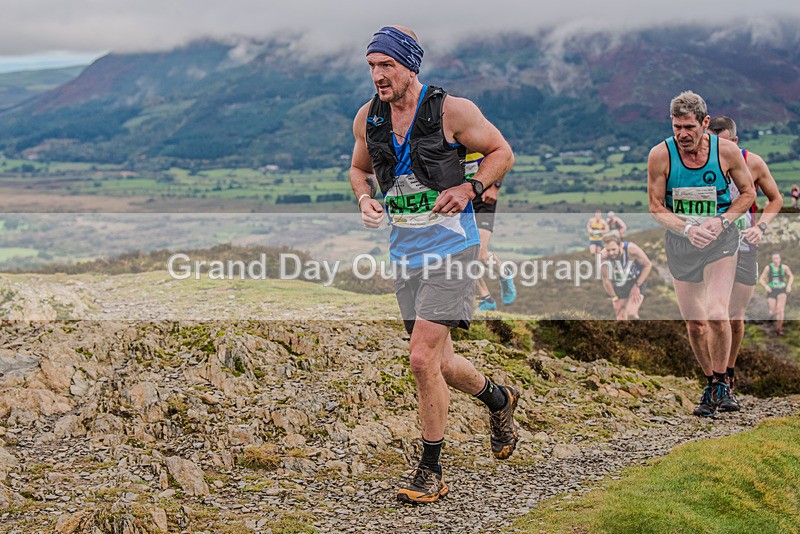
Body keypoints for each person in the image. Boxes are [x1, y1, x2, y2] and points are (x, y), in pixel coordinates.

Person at [349, 25, 518, 504]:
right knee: (441, 363)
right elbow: (359, 170)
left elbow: (501, 152)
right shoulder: (369, 117)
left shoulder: (452, 111)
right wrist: (365, 199)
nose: (378, 76)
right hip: (406, 254)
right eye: (372, 67)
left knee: (421, 357)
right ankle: (499, 399)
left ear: (410, 66)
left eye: (387, 66)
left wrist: (470, 188)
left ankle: (431, 470)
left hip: (452, 250)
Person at [647, 91, 755, 418]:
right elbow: (655, 208)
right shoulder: (660, 155)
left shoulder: (726, 152)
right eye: (676, 126)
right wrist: (688, 229)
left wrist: (722, 221)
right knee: (695, 324)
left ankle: (723, 382)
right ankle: (711, 382)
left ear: (705, 123)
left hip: (721, 239)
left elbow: (748, 194)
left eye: (689, 127)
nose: (682, 134)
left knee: (717, 312)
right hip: (682, 242)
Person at [708, 115, 783, 410]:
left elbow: (775, 199)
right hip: (711, 246)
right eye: (714, 143)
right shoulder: (702, 163)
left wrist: (760, 227)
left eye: (724, 142)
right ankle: (714, 380)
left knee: (735, 316)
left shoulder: (753, 162)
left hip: (744, 242)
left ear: (735, 141)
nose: (719, 148)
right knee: (711, 314)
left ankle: (728, 374)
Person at [467, 152, 517, 311]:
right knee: (464, 254)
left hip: (484, 198)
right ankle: (486, 299)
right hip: (462, 199)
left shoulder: (475, 134)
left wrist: (495, 187)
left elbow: (506, 157)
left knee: (480, 253)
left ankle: (504, 274)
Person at [599, 233, 652, 320]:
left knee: (631, 313)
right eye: (608, 250)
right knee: (620, 315)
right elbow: (606, 280)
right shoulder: (603, 257)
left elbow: (648, 265)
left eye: (613, 249)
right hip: (620, 282)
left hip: (636, 280)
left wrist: (637, 286)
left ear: (620, 245)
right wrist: (614, 298)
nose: (611, 253)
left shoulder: (632, 249)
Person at [759, 252, 794, 336]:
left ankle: (779, 329)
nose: (775, 260)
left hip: (781, 290)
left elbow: (791, 276)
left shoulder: (784, 267)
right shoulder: (768, 268)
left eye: (777, 258)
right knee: (773, 311)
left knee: (780, 309)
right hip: (771, 291)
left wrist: (789, 286)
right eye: (774, 258)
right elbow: (761, 279)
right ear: (772, 259)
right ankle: (770, 320)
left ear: (780, 259)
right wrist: (766, 286)